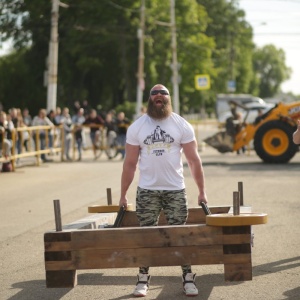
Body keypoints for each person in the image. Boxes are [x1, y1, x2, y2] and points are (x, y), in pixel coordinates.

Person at [119, 84, 207, 297]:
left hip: (175, 190)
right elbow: (129, 164)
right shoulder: (137, 127)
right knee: (146, 236)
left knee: (180, 235)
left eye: (163, 93)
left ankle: (187, 277)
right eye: (154, 93)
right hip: (147, 190)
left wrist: (202, 191)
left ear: (168, 99)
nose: (159, 95)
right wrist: (123, 194)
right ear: (149, 99)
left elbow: (194, 161)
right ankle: (142, 279)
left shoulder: (181, 125)